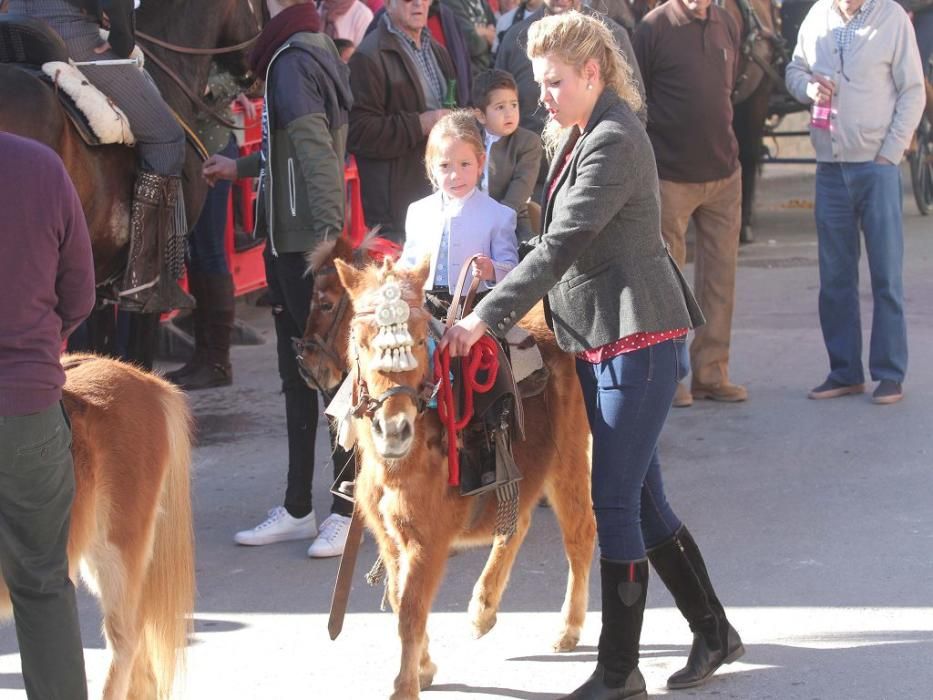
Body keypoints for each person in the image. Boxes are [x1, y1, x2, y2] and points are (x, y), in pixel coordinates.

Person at [442, 12, 743, 697]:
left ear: (592, 74)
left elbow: (562, 242)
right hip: (604, 340)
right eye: (537, 80)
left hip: (637, 342)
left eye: (552, 82)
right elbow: (550, 240)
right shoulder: (581, 130)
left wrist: (487, 317)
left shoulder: (613, 138)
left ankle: (617, 670)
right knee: (643, 502)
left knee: (613, 500)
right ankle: (714, 632)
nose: (540, 94)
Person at [202, 0, 357, 557]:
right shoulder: (301, 48)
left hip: (301, 249)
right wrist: (238, 168)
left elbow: (318, 157)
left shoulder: (290, 60)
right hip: (290, 241)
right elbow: (287, 153)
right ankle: (299, 507)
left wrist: (328, 250)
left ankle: (344, 508)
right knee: (304, 380)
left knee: (329, 379)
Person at [9, 0, 191, 314]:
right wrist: (122, 41)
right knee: (167, 137)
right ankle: (144, 278)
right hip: (68, 36)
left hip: (10, 33)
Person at [786, 0, 925, 405]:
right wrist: (807, 87)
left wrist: (891, 154)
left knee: (885, 277)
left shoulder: (892, 18)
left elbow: (913, 91)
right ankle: (844, 371)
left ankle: (889, 373)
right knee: (835, 280)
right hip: (830, 168)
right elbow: (794, 69)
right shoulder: (817, 16)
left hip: (876, 168)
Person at [0, 132, 96, 699]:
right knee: (40, 582)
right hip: (28, 407)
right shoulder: (41, 165)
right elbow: (79, 292)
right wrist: (44, 345)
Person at [633, 0, 748, 407]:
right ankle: (671, 379)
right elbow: (636, 101)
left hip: (724, 174)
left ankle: (712, 374)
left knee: (720, 281)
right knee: (669, 285)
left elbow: (728, 88)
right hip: (669, 176)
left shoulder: (727, 21)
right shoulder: (653, 28)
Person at [166, 65, 257, 391]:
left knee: (209, 250)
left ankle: (217, 360)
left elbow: (239, 74)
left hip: (212, 146)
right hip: (186, 149)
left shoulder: (214, 22)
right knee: (196, 252)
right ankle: (204, 356)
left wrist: (202, 86)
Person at [348, 0, 458, 242]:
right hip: (397, 212)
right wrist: (420, 123)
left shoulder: (437, 49)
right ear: (388, 4)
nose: (418, 3)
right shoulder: (368, 56)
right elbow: (357, 132)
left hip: (437, 194)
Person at [400, 110, 519, 314]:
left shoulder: (499, 215)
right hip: (424, 306)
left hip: (475, 307)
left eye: (465, 164)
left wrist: (491, 269)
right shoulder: (418, 211)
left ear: (480, 163)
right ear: (432, 168)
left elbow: (512, 270)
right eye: (445, 166)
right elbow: (408, 263)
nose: (455, 175)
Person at [495, 0, 644, 138]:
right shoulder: (515, 39)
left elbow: (636, 105)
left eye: (554, 82)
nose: (544, 97)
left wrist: (620, 148)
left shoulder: (610, 35)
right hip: (530, 163)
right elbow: (495, 104)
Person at [473, 69, 543, 239]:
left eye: (514, 104)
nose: (509, 113)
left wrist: (498, 219)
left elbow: (522, 185)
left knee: (524, 254)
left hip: (513, 219)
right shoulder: (471, 139)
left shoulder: (528, 142)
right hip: (473, 217)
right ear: (481, 116)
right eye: (500, 107)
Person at [441, 0, 497, 74]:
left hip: (491, 70)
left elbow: (496, 37)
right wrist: (487, 34)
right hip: (471, 75)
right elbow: (471, 44)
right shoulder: (450, 2)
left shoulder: (482, 2)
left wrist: (481, 32)